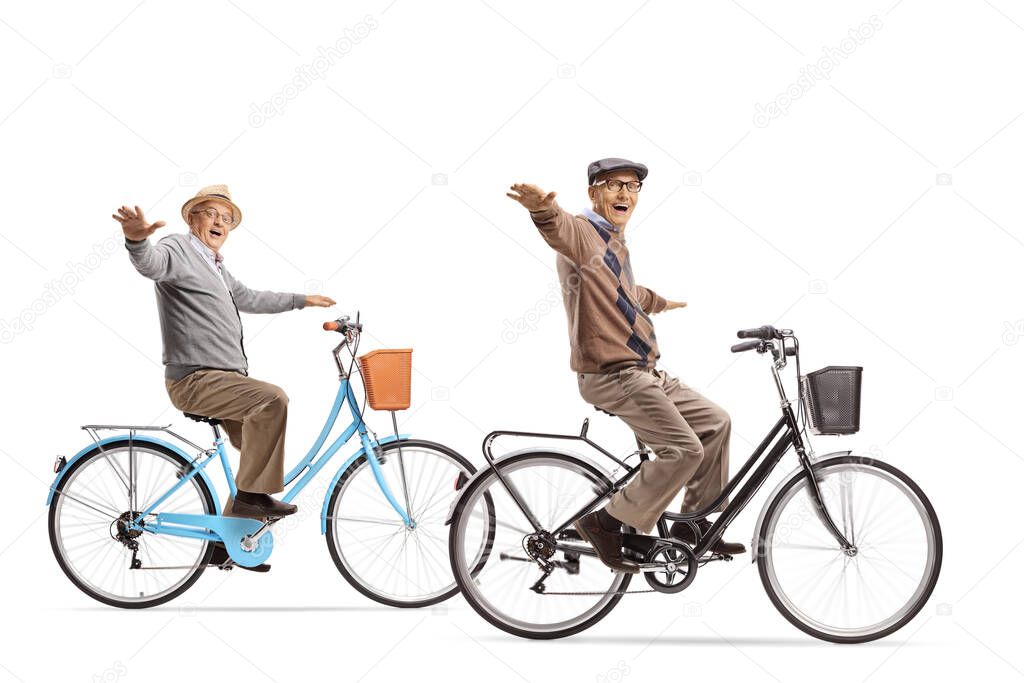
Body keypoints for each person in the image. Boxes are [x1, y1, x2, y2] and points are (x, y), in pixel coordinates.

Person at [507, 158, 745, 573]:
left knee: (715, 422)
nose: (624, 194)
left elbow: (621, 289)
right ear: (593, 193)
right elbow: (558, 229)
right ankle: (606, 522)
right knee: (683, 450)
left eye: (633, 187)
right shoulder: (583, 233)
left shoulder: (612, 239)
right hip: (613, 375)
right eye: (614, 185)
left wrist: (658, 301)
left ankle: (691, 527)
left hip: (643, 370)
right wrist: (541, 209)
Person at [113, 184, 336, 520]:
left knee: (257, 449)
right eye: (211, 213)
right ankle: (249, 498)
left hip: (224, 379)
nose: (220, 222)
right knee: (273, 400)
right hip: (195, 379)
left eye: (227, 218)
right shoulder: (178, 248)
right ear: (192, 218)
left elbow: (250, 298)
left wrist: (301, 300)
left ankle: (225, 540)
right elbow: (151, 265)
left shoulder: (215, 266)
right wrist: (136, 240)